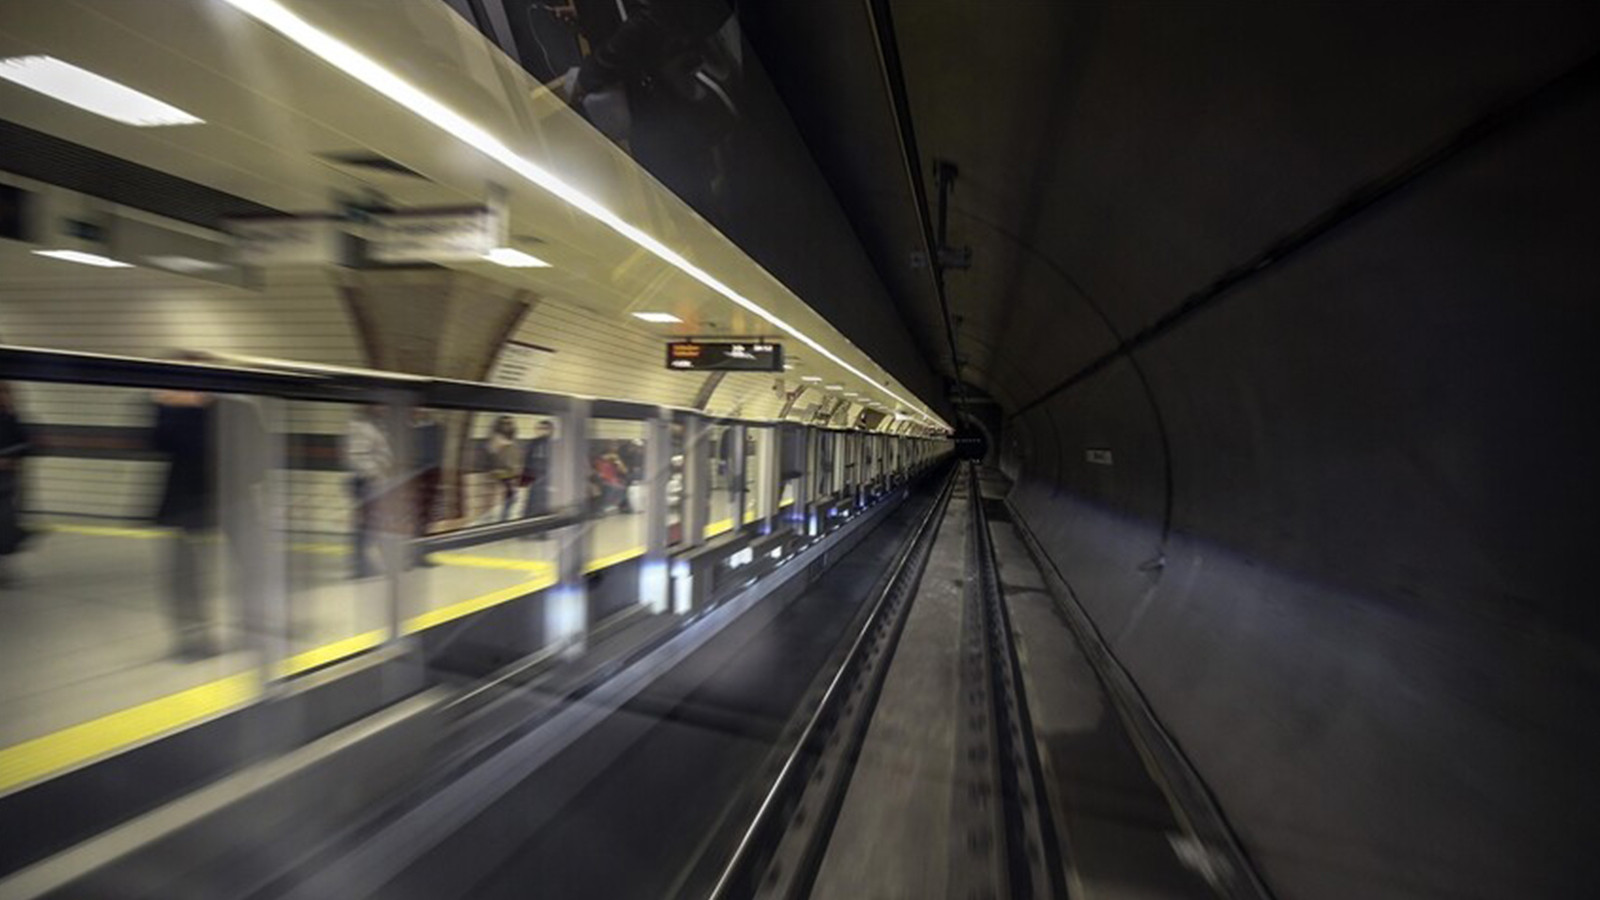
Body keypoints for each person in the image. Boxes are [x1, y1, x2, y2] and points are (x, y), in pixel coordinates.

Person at [152, 370, 267, 659]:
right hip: (192, 500)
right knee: (187, 570)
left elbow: (257, 453)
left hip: (232, 498)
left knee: (252, 561)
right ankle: (194, 635)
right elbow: (158, 443)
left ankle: (253, 624)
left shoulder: (237, 407)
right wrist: (179, 408)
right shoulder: (170, 408)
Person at [345, 406, 393, 579]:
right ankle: (359, 566)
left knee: (370, 524)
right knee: (365, 525)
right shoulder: (360, 425)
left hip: (374, 481)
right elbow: (357, 456)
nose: (383, 409)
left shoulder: (373, 424)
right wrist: (375, 475)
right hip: (366, 482)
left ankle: (363, 564)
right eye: (379, 406)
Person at [0, 383, 32, 583]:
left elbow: (27, 445)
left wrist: (11, 458)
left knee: (5, 521)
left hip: (6, 481)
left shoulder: (12, 420)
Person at [410, 409, 443, 566]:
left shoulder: (435, 428)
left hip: (429, 479)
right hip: (410, 480)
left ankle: (421, 555)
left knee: (425, 520)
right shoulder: (403, 428)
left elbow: (439, 456)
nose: (420, 412)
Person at [487, 415, 521, 521]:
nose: (507, 425)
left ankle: (504, 517)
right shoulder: (496, 437)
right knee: (510, 494)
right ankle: (503, 517)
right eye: (505, 422)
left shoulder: (512, 442)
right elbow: (493, 451)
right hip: (502, 470)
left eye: (509, 422)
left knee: (511, 495)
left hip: (508, 470)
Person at [521, 419, 556, 517]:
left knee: (545, 502)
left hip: (547, 478)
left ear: (551, 430)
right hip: (534, 477)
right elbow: (527, 460)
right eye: (540, 428)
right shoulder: (532, 443)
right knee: (532, 502)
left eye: (545, 428)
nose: (543, 431)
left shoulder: (553, 444)